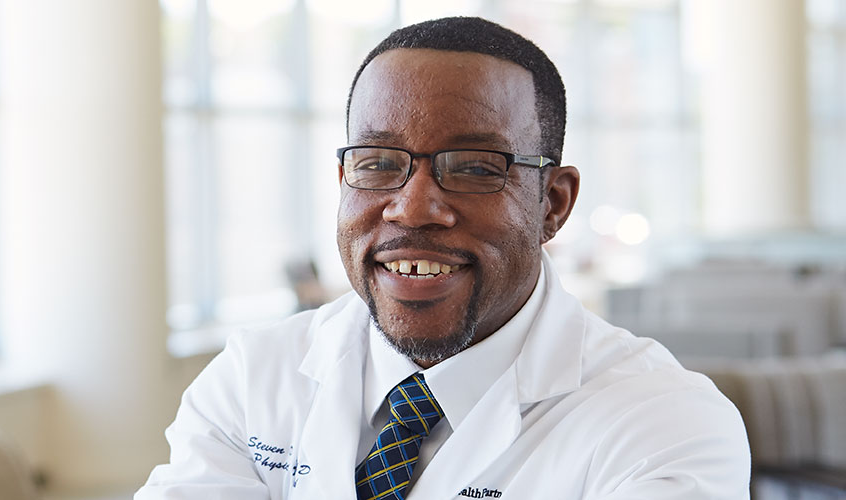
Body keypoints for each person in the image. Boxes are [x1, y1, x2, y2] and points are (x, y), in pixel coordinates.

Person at [136, 16, 751, 500]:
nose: (412, 208)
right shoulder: (253, 379)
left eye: (476, 168)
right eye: (378, 163)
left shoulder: (664, 423)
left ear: (553, 204)